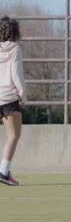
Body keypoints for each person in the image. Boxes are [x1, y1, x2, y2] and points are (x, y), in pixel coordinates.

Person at [0, 16, 25, 186]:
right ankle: (3, 171)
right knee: (13, 136)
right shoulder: (15, 48)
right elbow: (16, 73)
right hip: (8, 97)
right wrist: (22, 93)